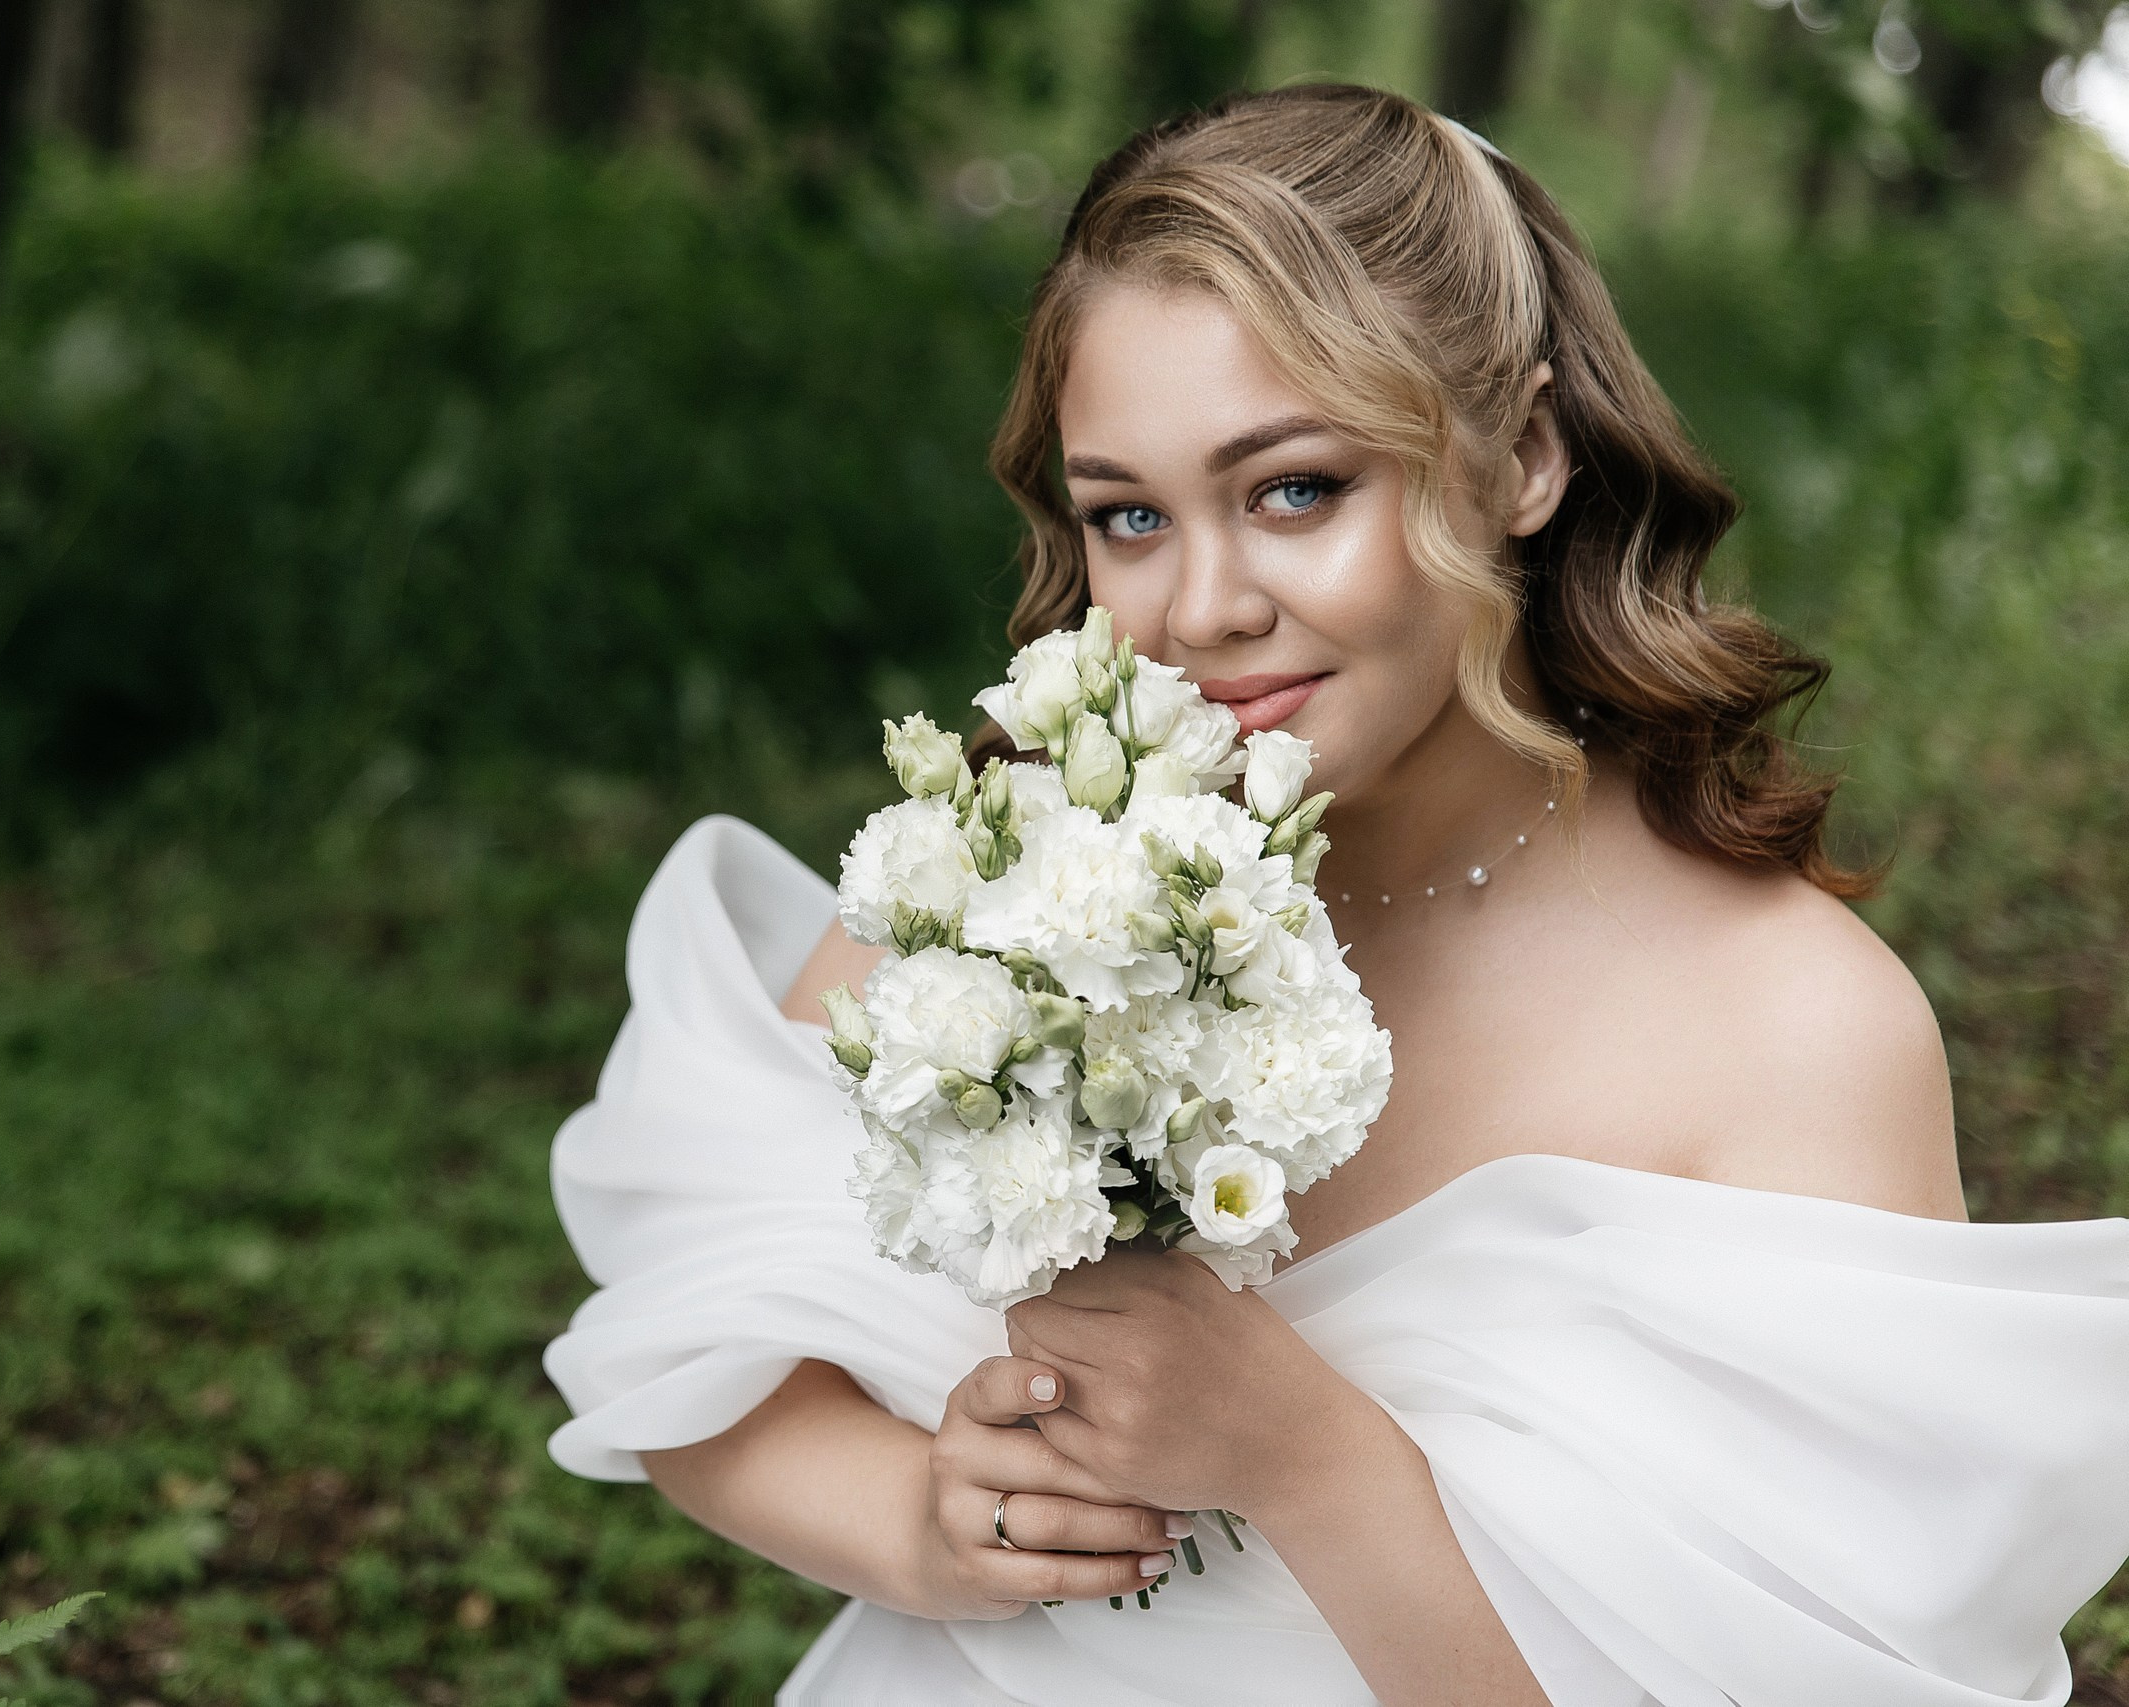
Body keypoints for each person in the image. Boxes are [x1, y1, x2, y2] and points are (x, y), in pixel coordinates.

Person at [542, 84, 2129, 1705]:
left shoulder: (1794, 1032)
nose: (1204, 607)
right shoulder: (1020, 883)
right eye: (1130, 516)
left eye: (1295, 488)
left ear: (1521, 454)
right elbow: (693, 1327)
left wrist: (1304, 1458)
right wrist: (922, 1526)